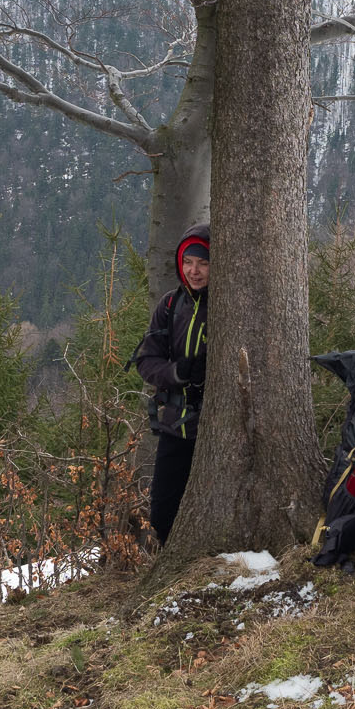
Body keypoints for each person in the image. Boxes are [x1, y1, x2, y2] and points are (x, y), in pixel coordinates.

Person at [133, 223, 210, 545]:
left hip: (215, 428)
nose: (194, 271)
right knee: (163, 514)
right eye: (188, 262)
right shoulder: (169, 305)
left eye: (204, 262)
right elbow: (145, 361)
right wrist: (178, 372)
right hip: (175, 426)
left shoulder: (231, 306)